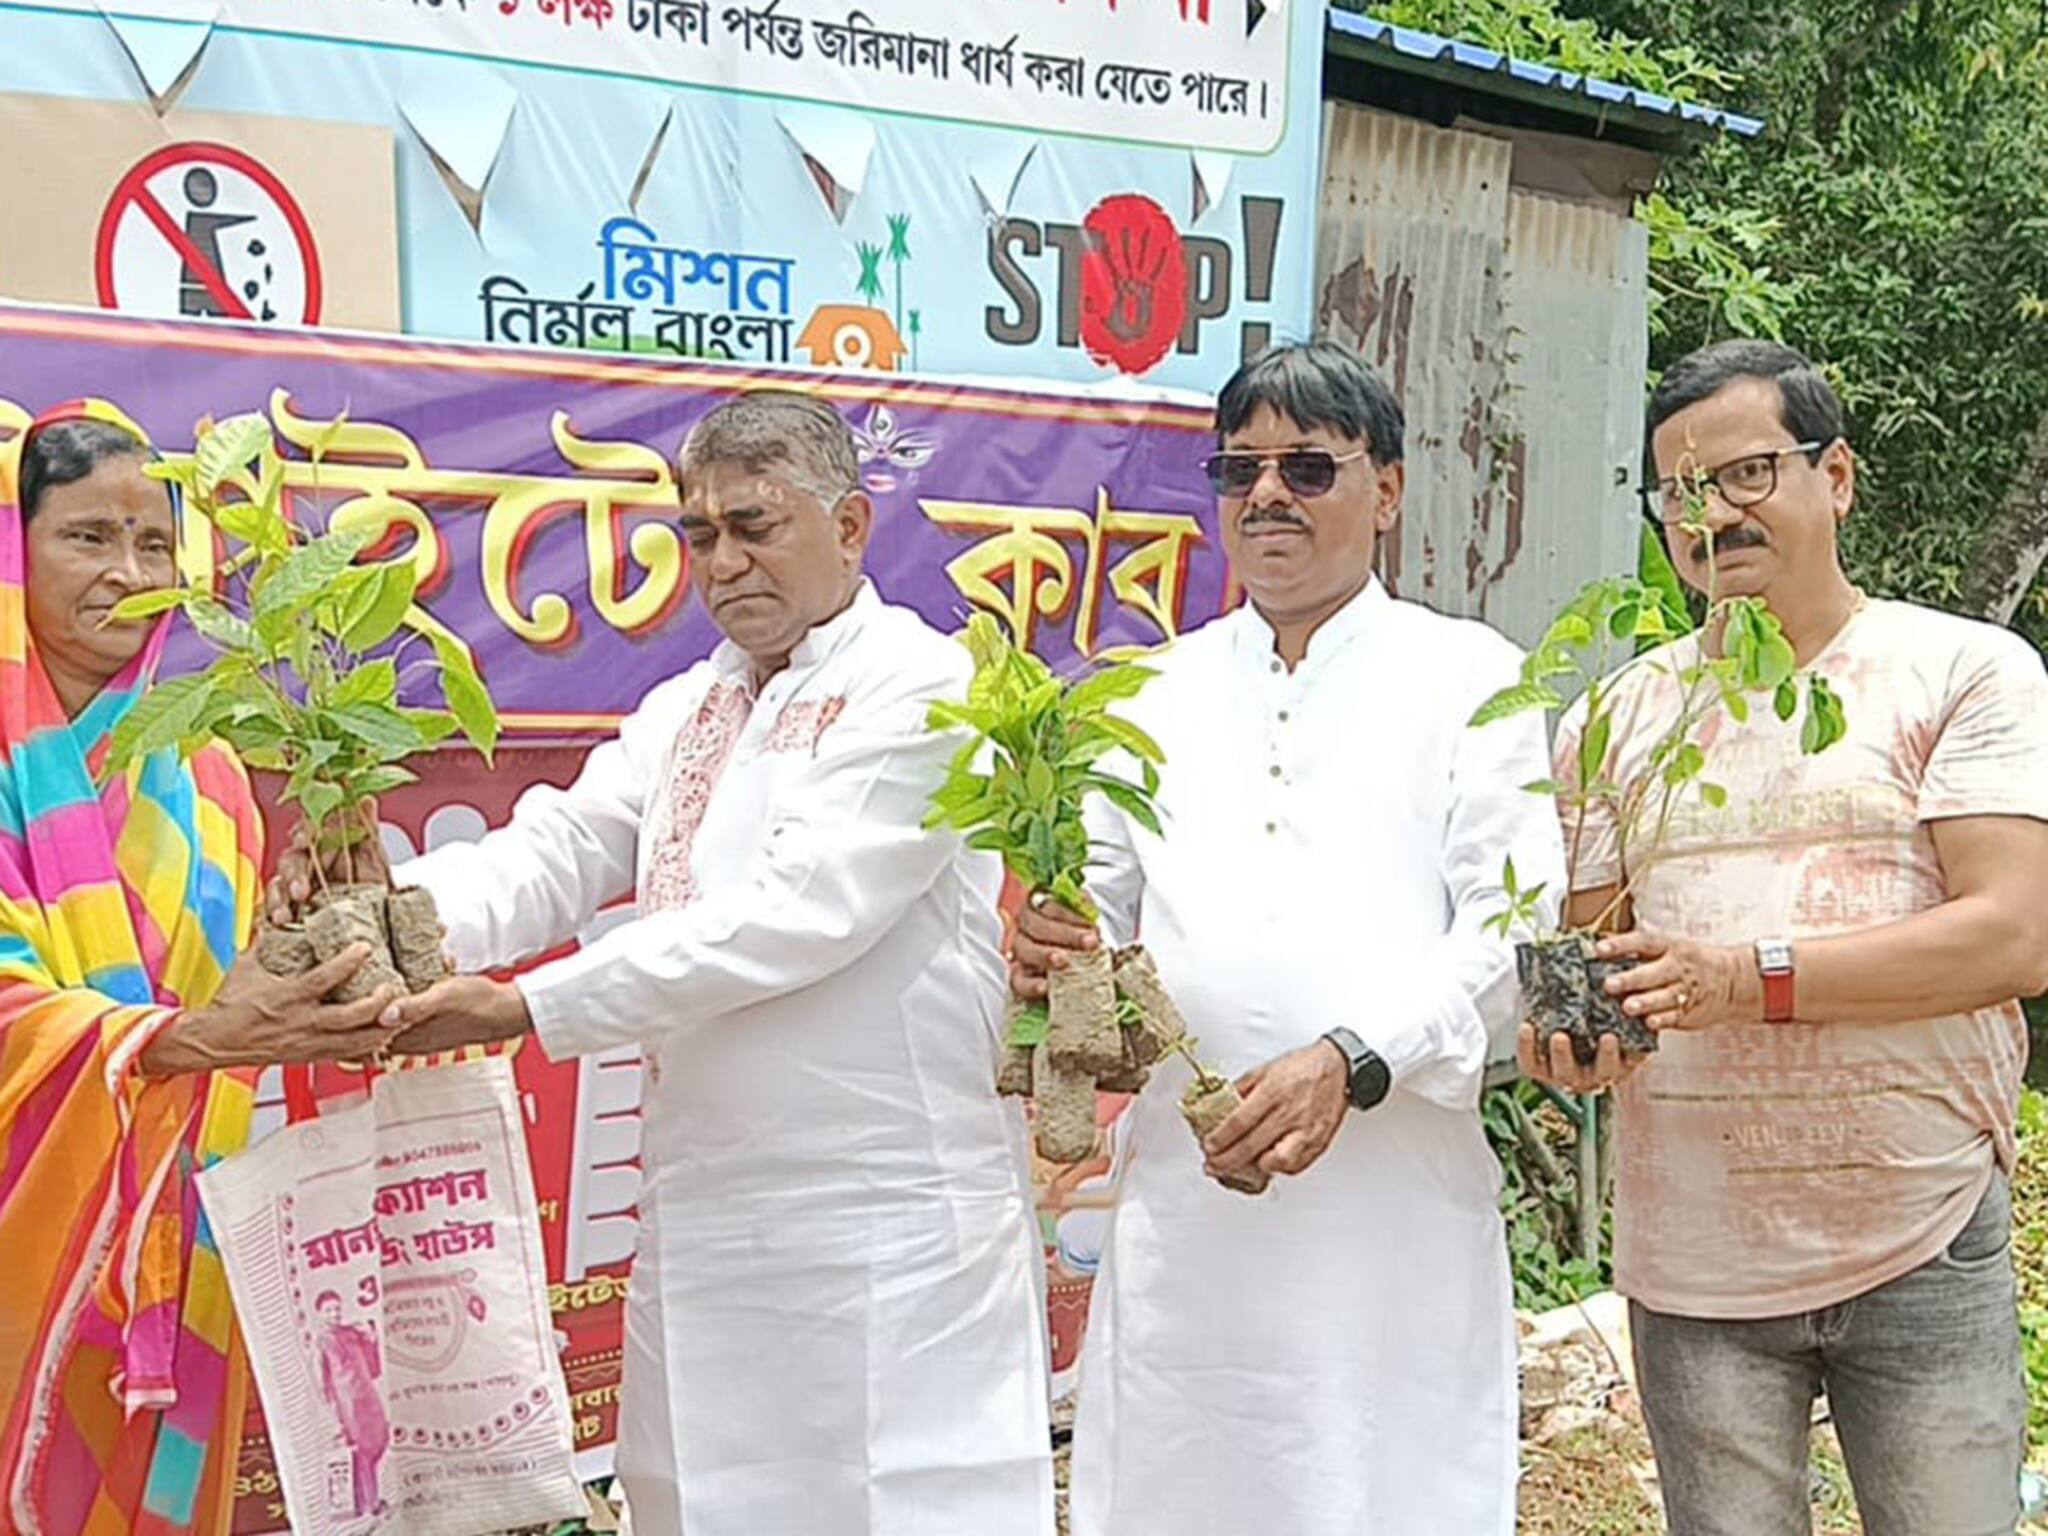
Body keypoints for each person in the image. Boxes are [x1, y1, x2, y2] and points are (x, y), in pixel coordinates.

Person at [277, 390, 1056, 1536]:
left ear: (848, 528)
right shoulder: (689, 704)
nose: (724, 562)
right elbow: (558, 849)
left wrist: (523, 1008)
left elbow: (798, 913)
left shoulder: (922, 684)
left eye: (755, 526)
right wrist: (384, 917)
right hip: (706, 1211)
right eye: (701, 536)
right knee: (698, 1502)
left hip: (884, 1227)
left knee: (897, 1504)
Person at [1011, 341, 1566, 1536]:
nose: (1266, 496)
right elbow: (1100, 936)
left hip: (1388, 1213)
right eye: (1239, 468)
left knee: (1380, 1486)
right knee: (1177, 1486)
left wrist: (1351, 1060)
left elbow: (1516, 923)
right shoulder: (1143, 692)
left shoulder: (1467, 676)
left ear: (1388, 490)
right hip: (1190, 1202)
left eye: (1307, 468)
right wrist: (1056, 958)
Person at [1522, 339, 2048, 1536]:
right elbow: (1600, 967)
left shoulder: (1961, 672)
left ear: (1838, 478)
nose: (1712, 514)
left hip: (1913, 1226)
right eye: (1678, 494)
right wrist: (1581, 1044)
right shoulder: (1617, 719)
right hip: (1694, 1258)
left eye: (1747, 473)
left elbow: (2013, 937)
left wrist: (1743, 979)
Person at [0, 401, 396, 1536]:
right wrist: (190, 1039)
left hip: (180, 1247)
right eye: (87, 537)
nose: (128, 572)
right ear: (12, 546)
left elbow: (226, 1014)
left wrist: (301, 946)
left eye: (155, 543)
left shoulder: (207, 773)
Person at [312, 1291, 388, 1521]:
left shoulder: (352, 1333)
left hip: (368, 1397)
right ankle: (371, 1503)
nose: (334, 1313)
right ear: (320, 1313)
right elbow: (322, 1380)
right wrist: (333, 1413)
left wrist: (371, 1338)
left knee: (379, 1443)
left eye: (337, 1308)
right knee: (362, 1452)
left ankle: (371, 1499)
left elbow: (374, 1369)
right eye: (329, 1310)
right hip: (348, 1404)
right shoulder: (322, 1341)